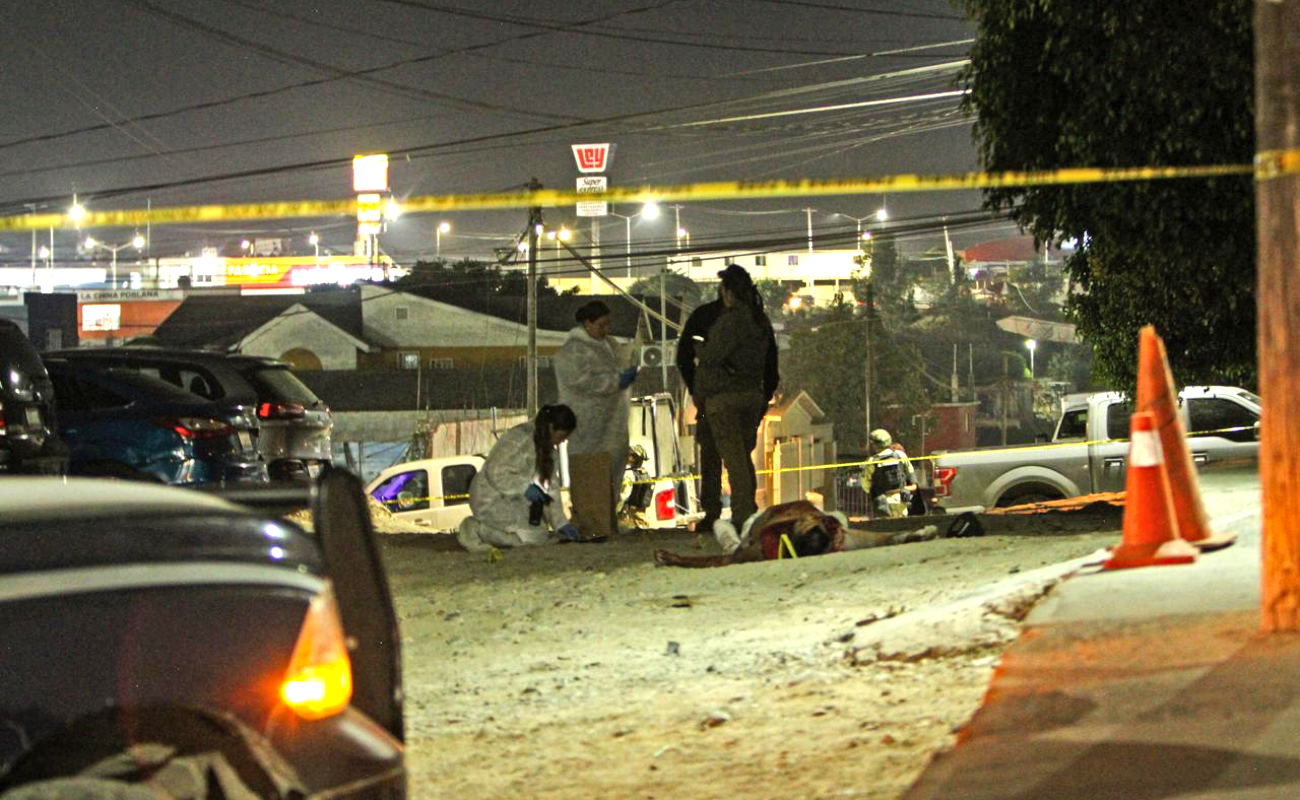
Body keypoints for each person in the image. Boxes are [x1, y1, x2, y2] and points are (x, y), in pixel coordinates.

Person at [677, 267, 780, 532]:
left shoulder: (726, 320)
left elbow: (708, 357)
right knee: (742, 458)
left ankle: (737, 515)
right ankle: (744, 512)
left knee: (727, 459)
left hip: (722, 398)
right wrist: (764, 397)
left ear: (727, 291)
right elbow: (771, 365)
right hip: (750, 396)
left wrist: (699, 383)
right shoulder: (760, 321)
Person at [652, 500, 946, 568]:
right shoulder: (831, 531)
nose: (808, 519)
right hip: (767, 523)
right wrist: (908, 536)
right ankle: (723, 526)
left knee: (726, 537)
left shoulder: (769, 544)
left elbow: (724, 561)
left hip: (756, 528)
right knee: (842, 518)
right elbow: (879, 540)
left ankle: (722, 526)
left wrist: (680, 559)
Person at [553, 300, 635, 526]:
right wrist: (615, 381)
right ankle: (589, 519)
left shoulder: (610, 345)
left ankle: (607, 518)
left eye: (609, 324)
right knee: (588, 472)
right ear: (587, 323)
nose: (606, 330)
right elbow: (581, 382)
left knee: (613, 471)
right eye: (601, 325)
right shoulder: (572, 351)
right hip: (587, 424)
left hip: (613, 423)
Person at [456, 404, 581, 551]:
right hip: (491, 497)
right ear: (551, 427)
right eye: (562, 436)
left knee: (538, 537)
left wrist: (560, 524)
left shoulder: (548, 452)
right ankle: (474, 529)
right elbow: (495, 472)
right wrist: (525, 487)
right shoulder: (519, 438)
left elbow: (550, 488)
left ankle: (491, 533)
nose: (562, 441)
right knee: (526, 539)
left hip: (516, 500)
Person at [859, 428, 917, 519]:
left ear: (875, 444)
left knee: (886, 529)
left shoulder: (871, 462)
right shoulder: (900, 455)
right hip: (901, 501)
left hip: (883, 503)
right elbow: (910, 473)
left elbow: (865, 485)